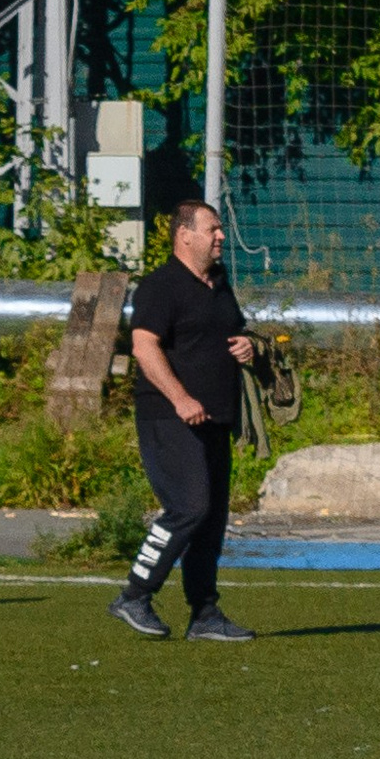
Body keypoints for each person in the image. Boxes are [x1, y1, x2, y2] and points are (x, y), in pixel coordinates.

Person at [110, 202, 255, 642]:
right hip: (169, 416)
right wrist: (180, 398)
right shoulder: (160, 286)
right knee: (189, 507)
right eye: (212, 229)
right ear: (184, 236)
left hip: (215, 418)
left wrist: (248, 346)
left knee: (211, 519)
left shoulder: (219, 283)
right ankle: (134, 595)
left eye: (220, 230)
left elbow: (232, 332)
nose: (221, 237)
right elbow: (144, 348)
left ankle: (205, 613)